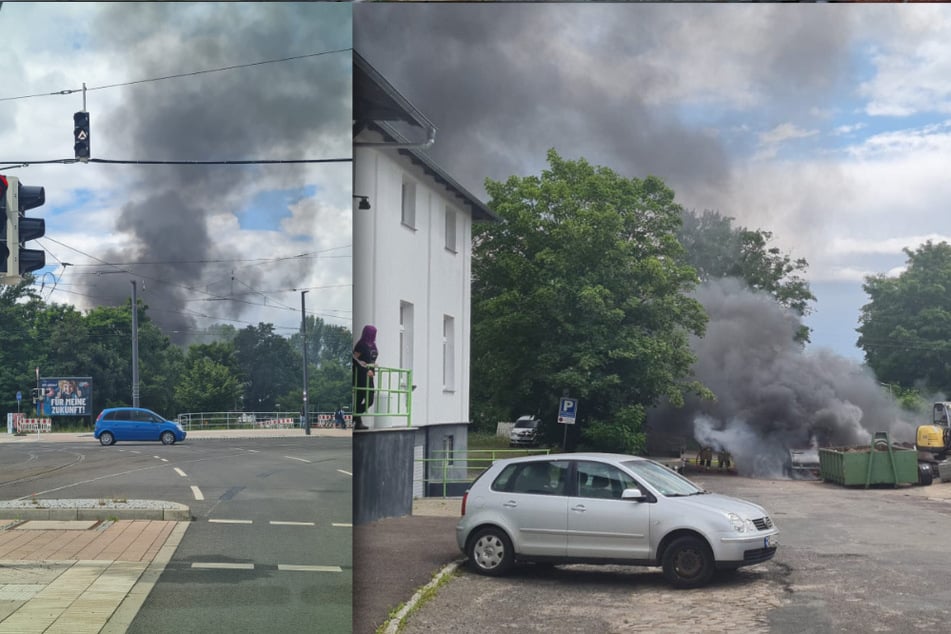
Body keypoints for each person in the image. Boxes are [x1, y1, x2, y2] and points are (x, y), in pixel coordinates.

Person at [352, 324, 378, 430]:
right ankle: (358, 422)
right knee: (359, 399)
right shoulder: (361, 344)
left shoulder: (373, 345)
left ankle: (355, 416)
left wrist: (373, 367)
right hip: (361, 375)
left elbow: (371, 359)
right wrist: (365, 368)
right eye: (373, 333)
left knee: (370, 399)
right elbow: (354, 358)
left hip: (370, 376)